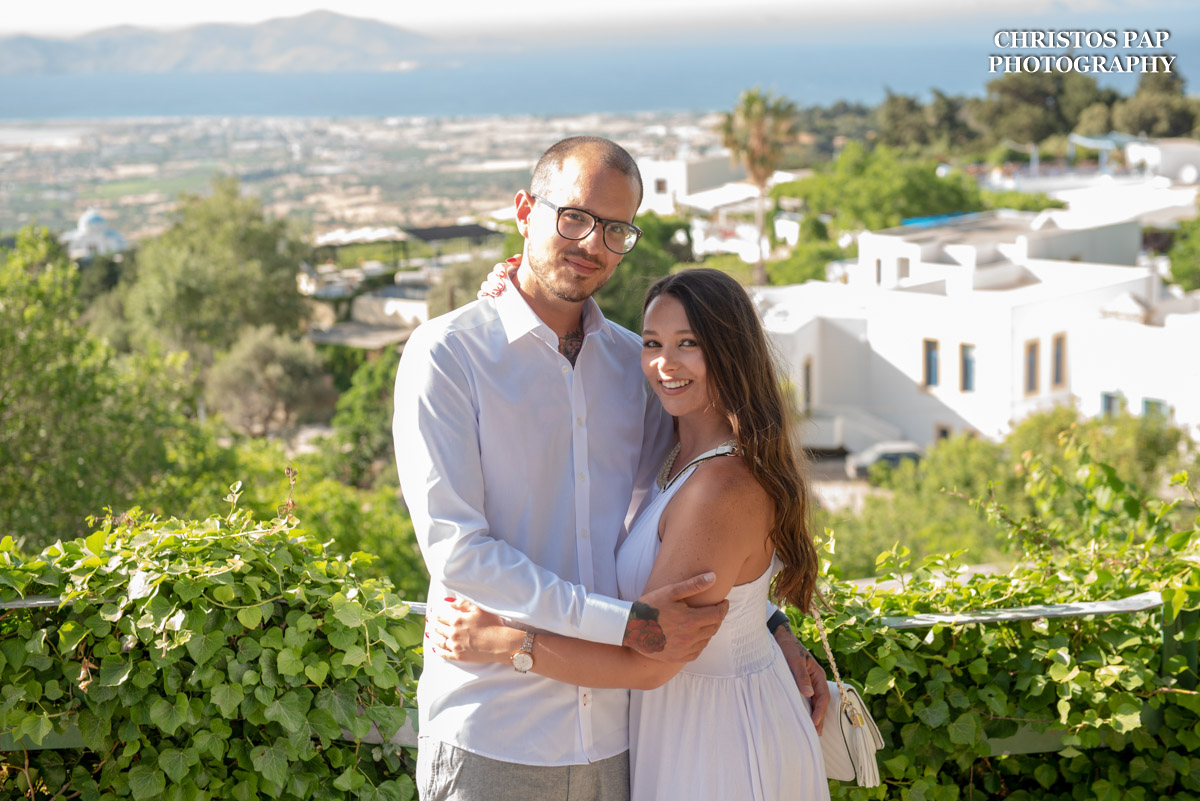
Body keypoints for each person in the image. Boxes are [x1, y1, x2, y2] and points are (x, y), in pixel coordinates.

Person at [395, 136, 826, 801]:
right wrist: (621, 622)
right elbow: (460, 552)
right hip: (498, 728)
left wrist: (764, 620)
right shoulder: (449, 356)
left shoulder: (637, 366)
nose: (591, 241)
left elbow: (703, 505)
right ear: (523, 210)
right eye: (573, 216)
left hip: (623, 738)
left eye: (614, 228)